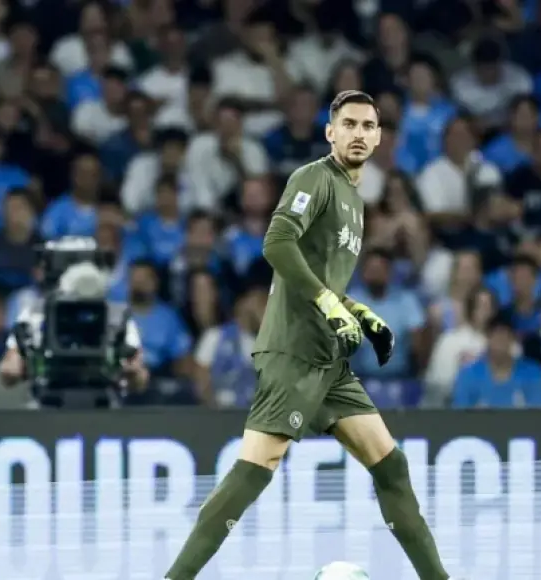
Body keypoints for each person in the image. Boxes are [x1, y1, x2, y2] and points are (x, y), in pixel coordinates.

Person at [164, 91, 454, 580]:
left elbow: (324, 276)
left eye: (368, 126)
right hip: (294, 350)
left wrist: (359, 311)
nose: (358, 133)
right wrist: (328, 304)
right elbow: (277, 243)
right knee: (257, 466)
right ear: (330, 132)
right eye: (349, 124)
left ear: (379, 138)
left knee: (391, 465)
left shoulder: (355, 201)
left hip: (330, 360)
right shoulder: (314, 178)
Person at [0, 249, 147, 394]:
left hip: (103, 397)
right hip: (47, 397)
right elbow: (9, 371)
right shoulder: (33, 315)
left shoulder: (119, 317)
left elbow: (140, 380)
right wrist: (12, 369)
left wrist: (133, 373)